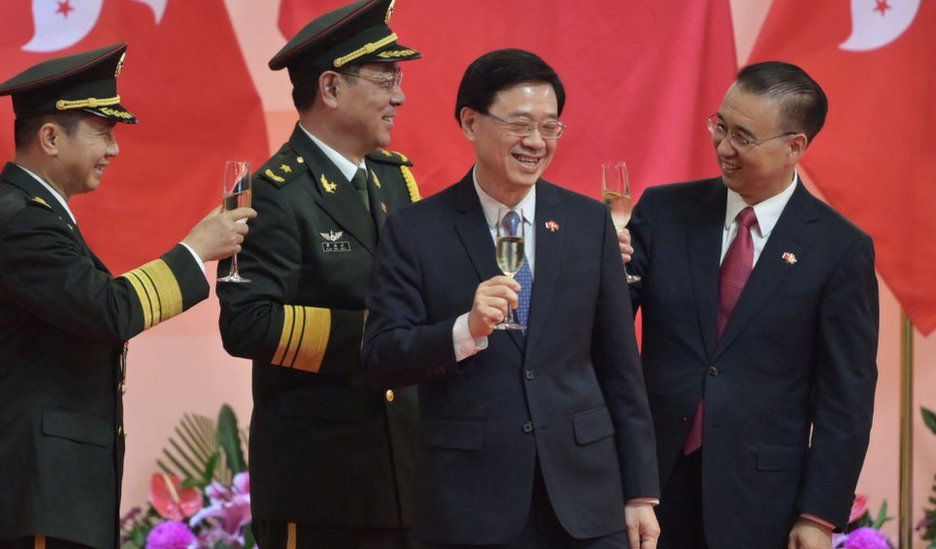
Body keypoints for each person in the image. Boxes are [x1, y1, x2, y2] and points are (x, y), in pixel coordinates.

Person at [362, 48, 660, 549]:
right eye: (520, 124)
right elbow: (381, 356)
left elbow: (620, 368)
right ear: (470, 121)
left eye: (550, 127)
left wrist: (640, 494)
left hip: (586, 500)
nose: (535, 142)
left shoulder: (589, 225)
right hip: (470, 502)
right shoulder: (415, 229)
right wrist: (464, 330)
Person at [0, 43, 255, 549]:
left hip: (56, 495)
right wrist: (193, 250)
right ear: (51, 137)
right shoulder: (23, 222)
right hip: (41, 495)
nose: (114, 150)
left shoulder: (37, 214)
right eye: (103, 133)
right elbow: (108, 309)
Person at [620, 61, 879, 549]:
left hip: (762, 500)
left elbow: (846, 397)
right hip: (647, 486)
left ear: (794, 146)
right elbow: (606, 330)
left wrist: (819, 516)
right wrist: (601, 271)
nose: (723, 147)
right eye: (720, 126)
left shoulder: (839, 249)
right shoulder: (663, 211)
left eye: (742, 136)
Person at [216, 0, 423, 547]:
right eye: (385, 79)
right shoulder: (270, 195)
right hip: (322, 489)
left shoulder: (395, 179)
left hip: (408, 479)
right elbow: (247, 323)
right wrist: (377, 337)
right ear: (331, 88)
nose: (399, 95)